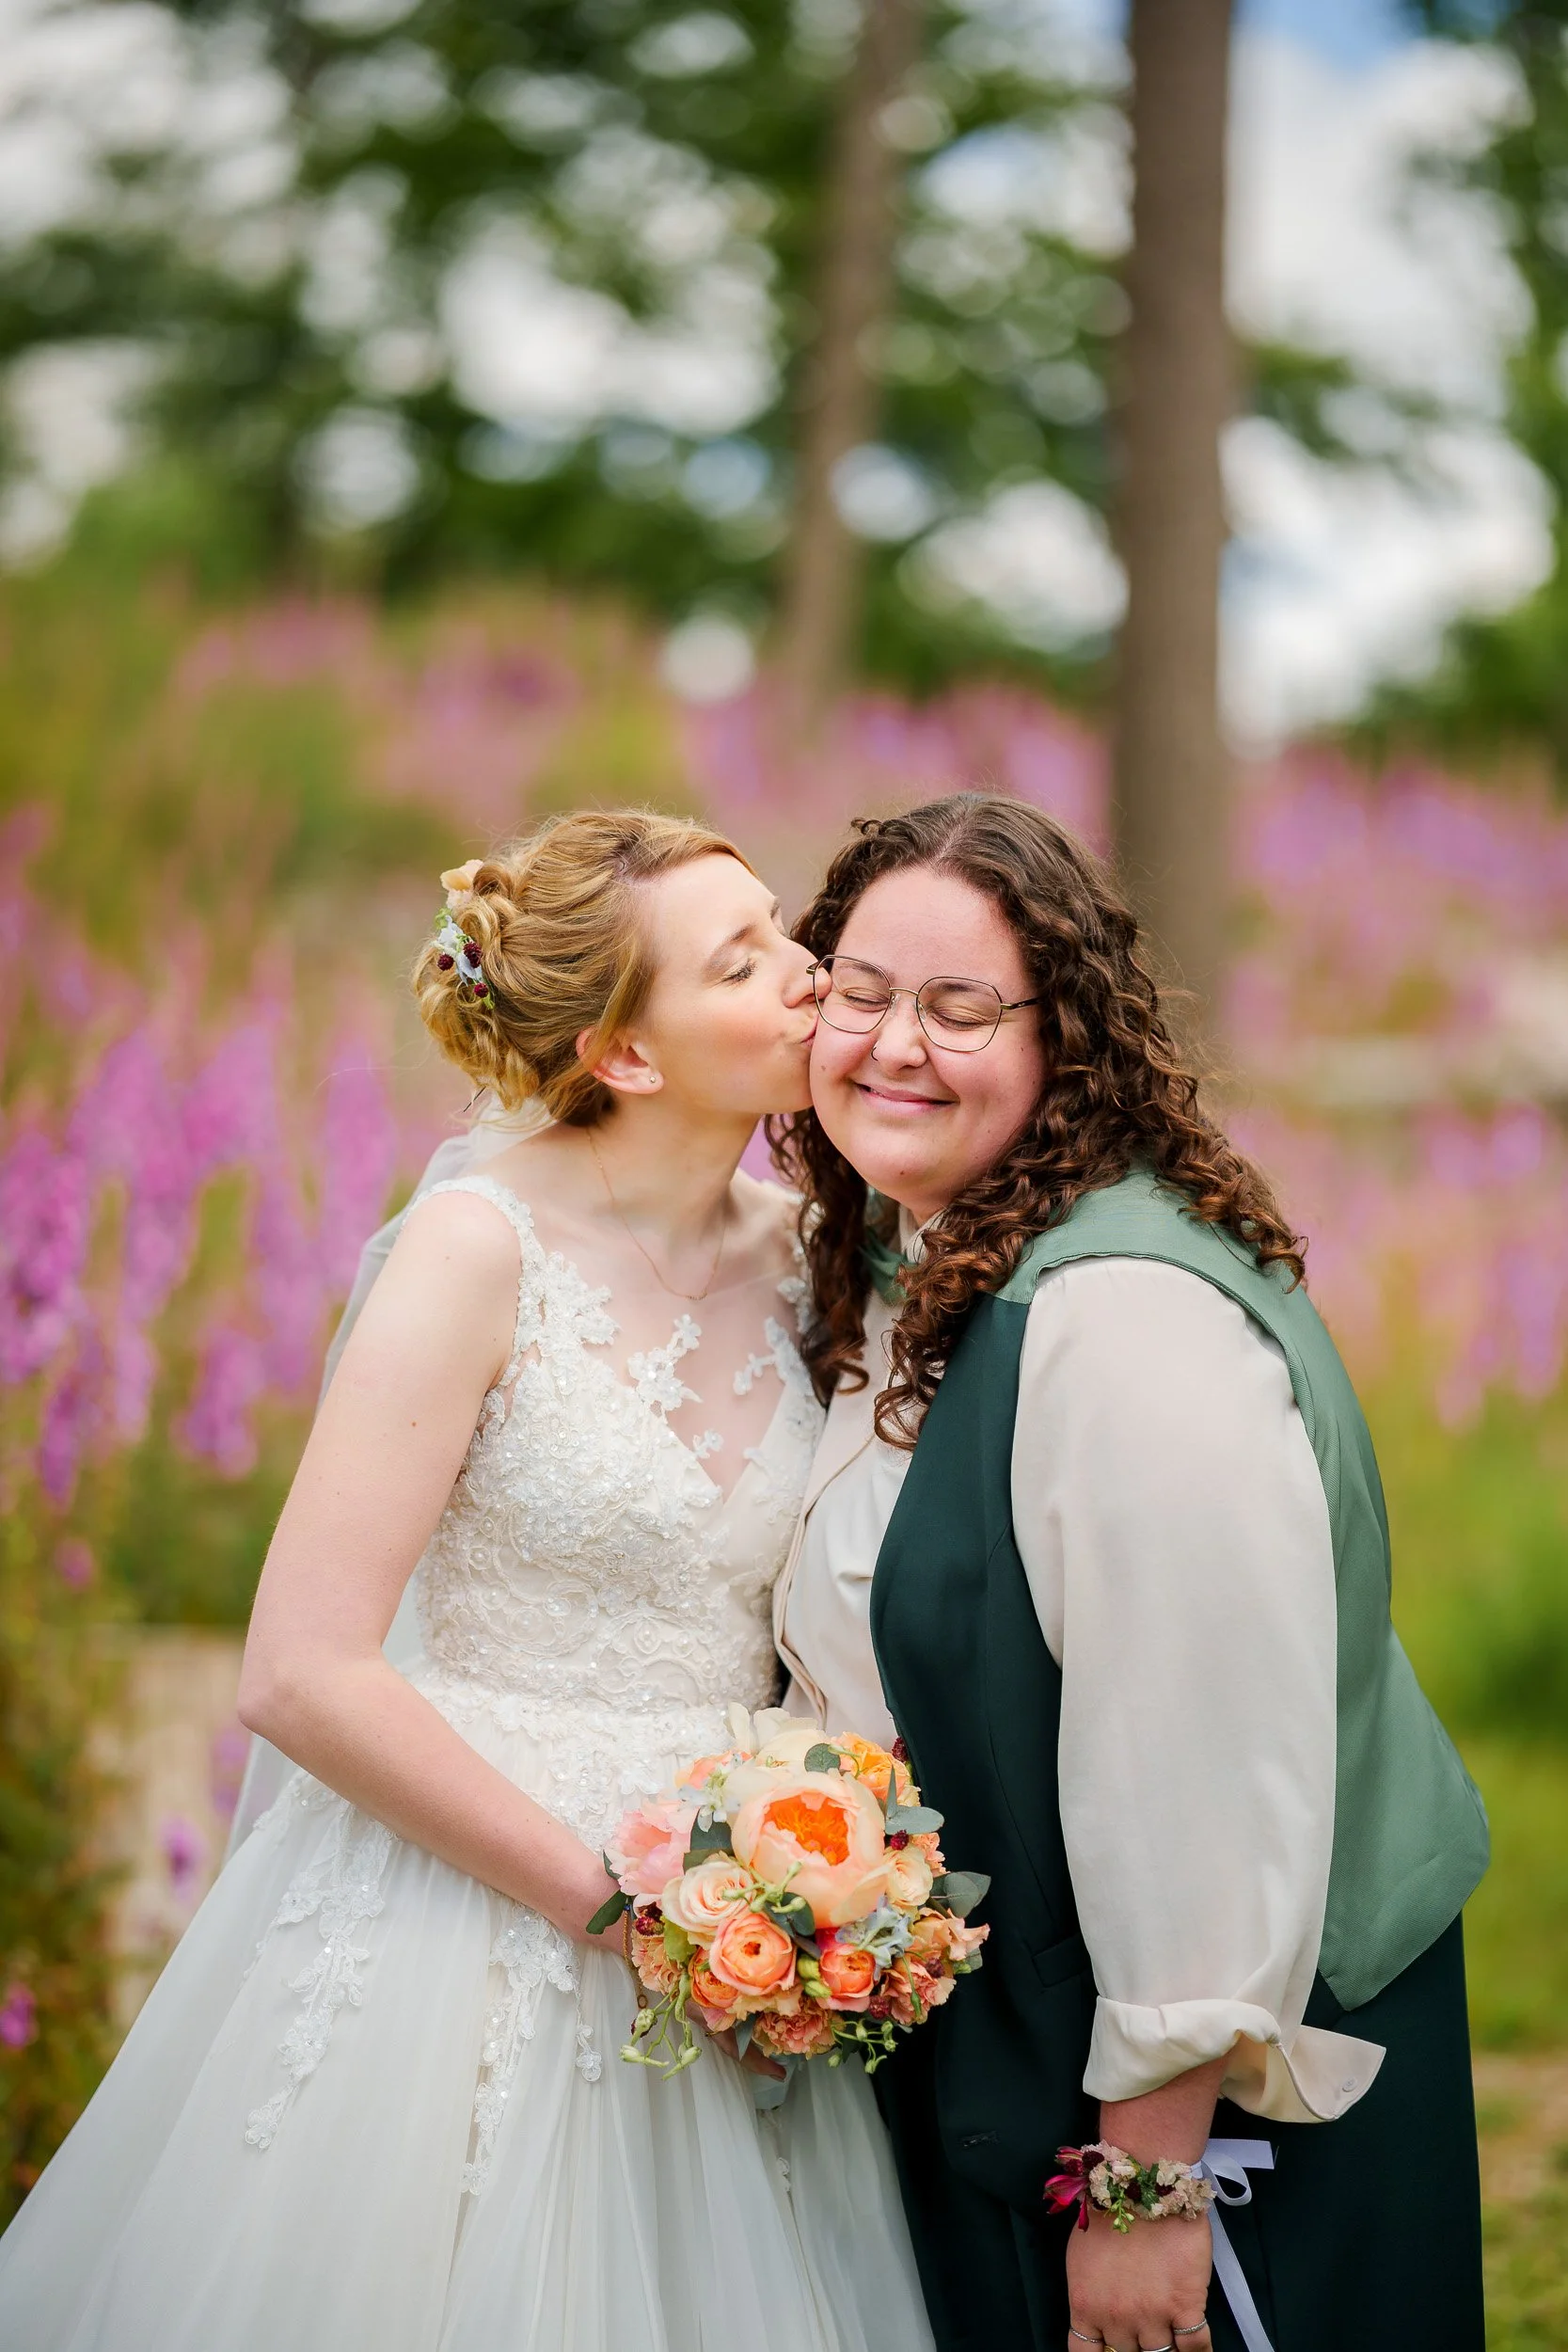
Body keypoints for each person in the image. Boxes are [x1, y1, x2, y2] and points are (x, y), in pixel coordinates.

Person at [0, 810, 934, 2352]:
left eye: (782, 931)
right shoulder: (474, 1252)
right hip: (475, 1913)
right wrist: (629, 1919)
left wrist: (789, 1889)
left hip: (753, 1901)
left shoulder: (830, 1255)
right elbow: (301, 1671)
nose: (809, 973)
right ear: (625, 1052)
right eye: (744, 958)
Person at [771, 794, 1490, 2352]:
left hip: (1210, 2112)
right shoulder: (930, 1250)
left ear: (1065, 1039)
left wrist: (1146, 2186)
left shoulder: (1120, 1318)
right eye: (859, 990)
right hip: (1036, 2052)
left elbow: (1200, 1775)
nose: (894, 1042)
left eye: (959, 1007)